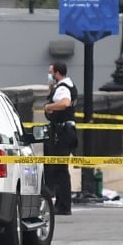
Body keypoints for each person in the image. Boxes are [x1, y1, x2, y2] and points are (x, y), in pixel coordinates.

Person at [43, 62, 78, 215]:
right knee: (60, 169)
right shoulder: (67, 86)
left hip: (62, 132)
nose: (50, 75)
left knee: (60, 169)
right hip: (67, 131)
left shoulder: (62, 88)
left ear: (57, 73)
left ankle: (63, 205)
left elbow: (65, 103)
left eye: (51, 72)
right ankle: (63, 204)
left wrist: (48, 107)